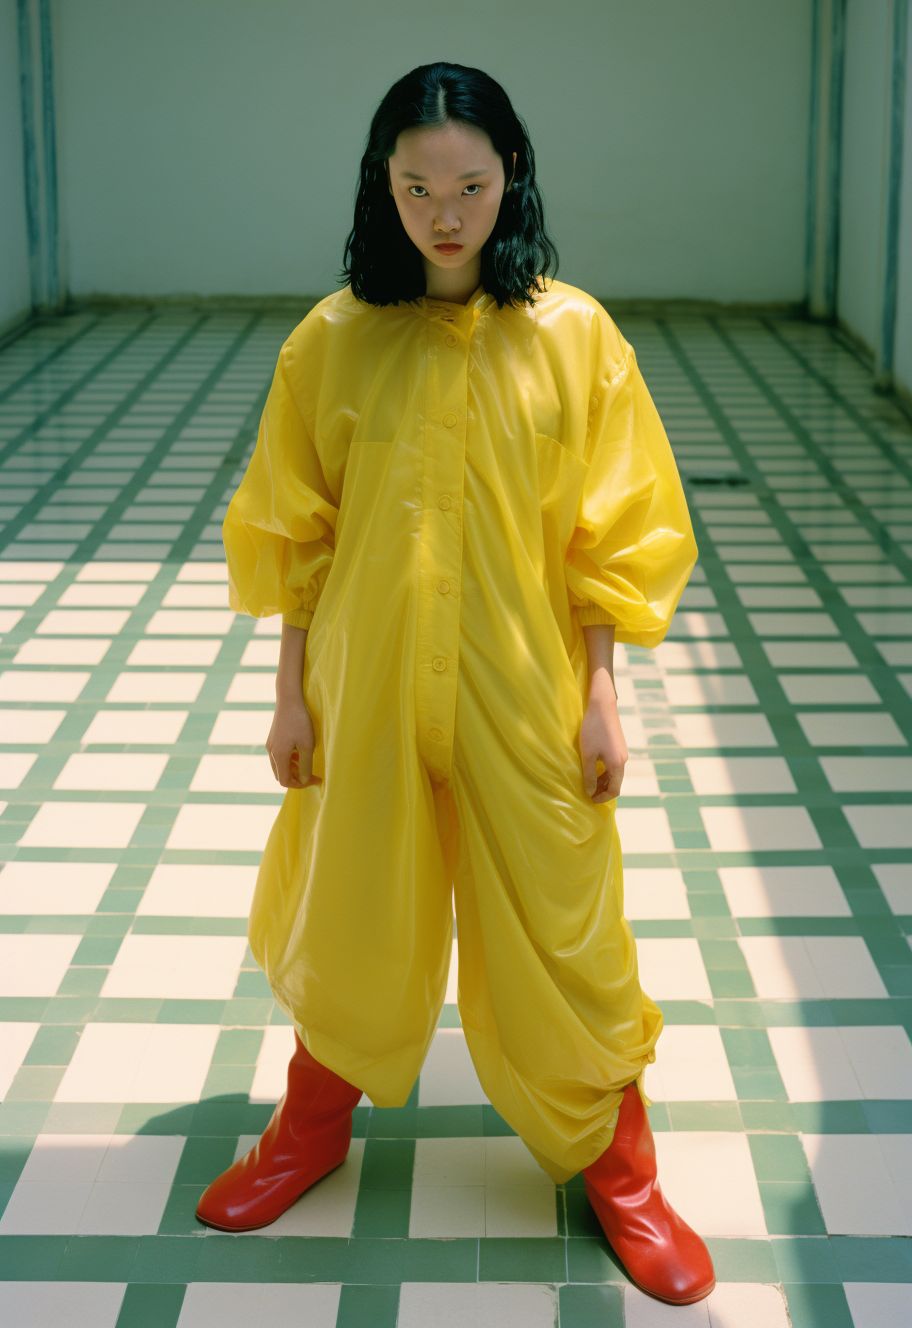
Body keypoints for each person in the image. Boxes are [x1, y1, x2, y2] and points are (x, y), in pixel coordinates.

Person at [195, 61, 713, 1308]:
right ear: (382, 186)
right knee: (350, 902)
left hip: (523, 679)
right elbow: (295, 530)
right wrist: (290, 691)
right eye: (418, 185)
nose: (445, 212)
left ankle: (622, 1169)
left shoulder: (575, 335)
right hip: (364, 676)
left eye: (471, 184)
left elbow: (611, 530)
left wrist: (602, 688)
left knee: (562, 916)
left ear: (511, 177)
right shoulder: (331, 340)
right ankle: (308, 1129)